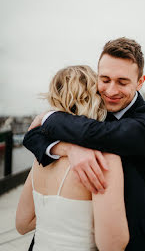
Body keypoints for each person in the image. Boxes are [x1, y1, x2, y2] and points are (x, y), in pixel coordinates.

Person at [23, 37, 145, 250]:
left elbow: (104, 135)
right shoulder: (94, 110)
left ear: (140, 82)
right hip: (87, 232)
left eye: (122, 82)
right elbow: (32, 137)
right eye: (105, 79)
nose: (111, 91)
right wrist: (68, 149)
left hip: (137, 238)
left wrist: (50, 117)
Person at [16, 65, 129, 251]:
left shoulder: (43, 157)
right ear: (95, 98)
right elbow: (113, 243)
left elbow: (22, 223)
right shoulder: (103, 158)